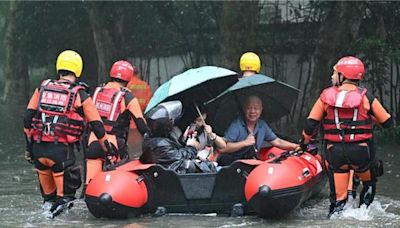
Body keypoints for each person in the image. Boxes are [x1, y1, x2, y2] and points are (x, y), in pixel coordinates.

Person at [23, 50, 112, 218]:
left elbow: (27, 120)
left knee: (48, 201)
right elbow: (97, 126)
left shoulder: (42, 88)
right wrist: (108, 150)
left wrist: (29, 149)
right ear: (77, 69)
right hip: (61, 155)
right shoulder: (80, 94)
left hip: (39, 152)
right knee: (65, 200)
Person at [301, 56, 393, 217]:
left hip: (335, 154)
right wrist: (370, 117)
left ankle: (336, 213)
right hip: (362, 153)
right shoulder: (366, 97)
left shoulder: (325, 97)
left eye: (335, 73)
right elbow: (387, 122)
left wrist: (303, 144)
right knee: (369, 182)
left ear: (342, 75)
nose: (333, 76)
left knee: (338, 200)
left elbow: (310, 125)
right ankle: (364, 213)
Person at [85, 60, 148, 186]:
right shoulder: (128, 97)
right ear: (129, 78)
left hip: (93, 141)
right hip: (114, 145)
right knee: (116, 184)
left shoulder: (95, 92)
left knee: (90, 186)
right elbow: (142, 126)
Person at [217, 95, 299, 166]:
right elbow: (223, 149)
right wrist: (244, 143)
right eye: (249, 108)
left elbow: (277, 141)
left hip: (250, 161)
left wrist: (294, 146)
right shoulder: (236, 125)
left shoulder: (262, 125)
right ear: (244, 109)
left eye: (256, 108)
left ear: (261, 110)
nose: (252, 111)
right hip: (231, 163)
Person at [140, 101, 217, 173]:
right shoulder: (160, 144)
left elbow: (172, 153)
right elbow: (179, 156)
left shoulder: (153, 137)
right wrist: (191, 147)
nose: (173, 123)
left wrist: (183, 140)